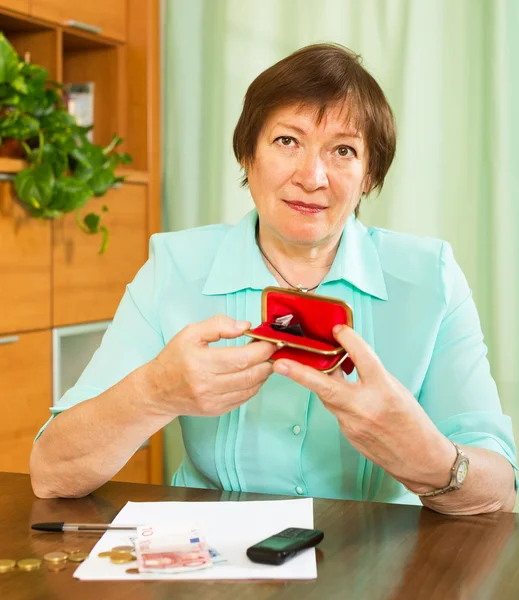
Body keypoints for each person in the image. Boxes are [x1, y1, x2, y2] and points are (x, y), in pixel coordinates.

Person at [30, 43, 517, 515]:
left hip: (381, 565)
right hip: (210, 564)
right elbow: (51, 471)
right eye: (288, 141)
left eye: (343, 150)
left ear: (369, 174)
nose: (312, 176)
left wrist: (427, 457)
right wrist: (155, 392)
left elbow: (500, 492)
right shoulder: (174, 265)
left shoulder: (431, 277)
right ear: (248, 155)